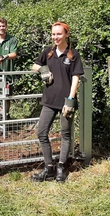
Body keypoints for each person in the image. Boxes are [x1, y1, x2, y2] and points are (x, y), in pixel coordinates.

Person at [31, 21, 84, 183]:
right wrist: (43, 70)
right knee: (41, 132)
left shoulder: (73, 55)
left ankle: (61, 166)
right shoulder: (47, 52)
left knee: (66, 134)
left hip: (65, 102)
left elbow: (76, 78)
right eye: (53, 34)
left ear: (66, 34)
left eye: (59, 34)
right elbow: (34, 65)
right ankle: (49, 168)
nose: (56, 37)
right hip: (49, 100)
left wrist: (70, 99)